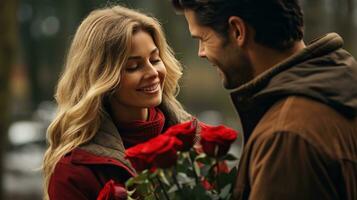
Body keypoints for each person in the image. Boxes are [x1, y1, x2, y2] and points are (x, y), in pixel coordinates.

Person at [171, 0, 357, 199]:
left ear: (237, 31)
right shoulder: (339, 85)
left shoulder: (286, 138)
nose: (201, 52)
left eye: (203, 38)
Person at [42, 5, 194, 199]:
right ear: (102, 78)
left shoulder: (196, 139)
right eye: (133, 66)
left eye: (155, 60)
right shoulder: (74, 172)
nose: (153, 73)